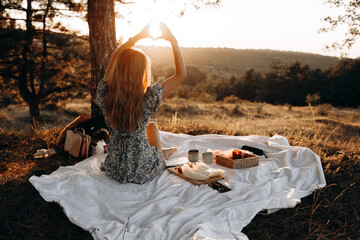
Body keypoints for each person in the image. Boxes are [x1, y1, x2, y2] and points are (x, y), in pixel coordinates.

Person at [95, 23, 187, 184]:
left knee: (149, 127)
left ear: (118, 69)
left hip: (115, 167)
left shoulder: (105, 94)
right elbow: (181, 75)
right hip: (140, 168)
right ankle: (162, 153)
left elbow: (116, 55)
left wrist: (136, 37)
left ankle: (162, 152)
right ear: (142, 73)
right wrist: (173, 40)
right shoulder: (148, 99)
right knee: (152, 128)